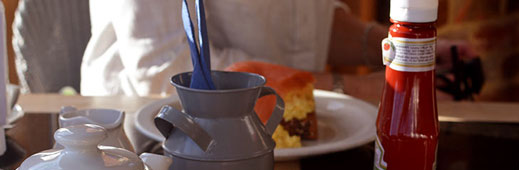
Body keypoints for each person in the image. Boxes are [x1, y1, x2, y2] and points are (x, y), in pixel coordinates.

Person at [80, 0, 474, 100]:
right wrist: (357, 90)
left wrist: (392, 47)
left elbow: (304, 21)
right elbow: (176, 70)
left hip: (294, 133)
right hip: (154, 142)